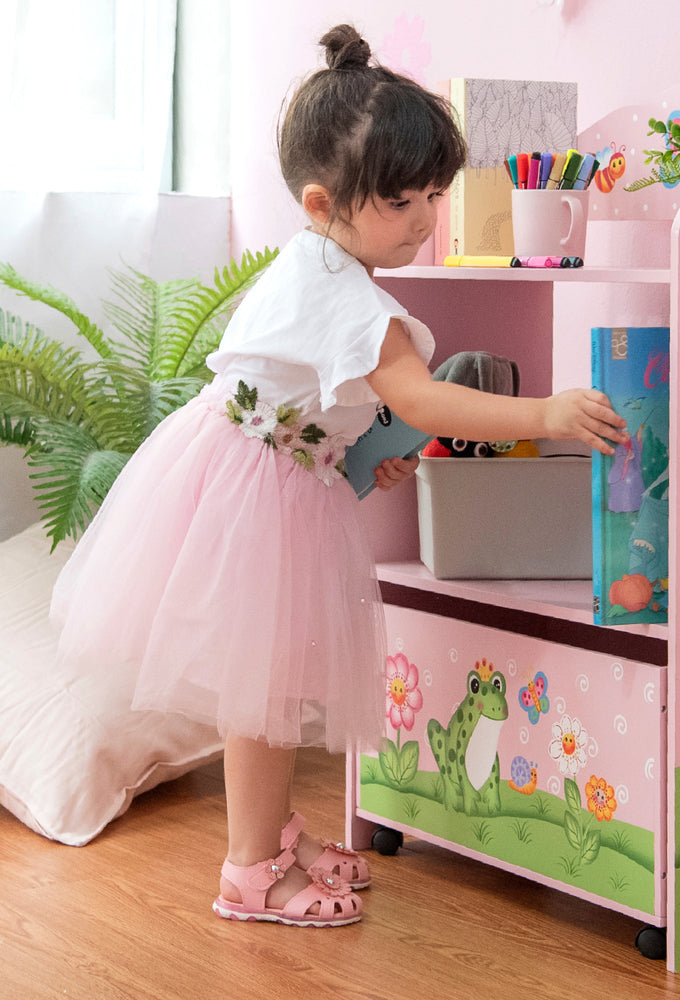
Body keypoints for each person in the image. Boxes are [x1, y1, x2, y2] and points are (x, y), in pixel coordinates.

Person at [50, 23, 627, 928]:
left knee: (267, 689)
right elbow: (428, 401)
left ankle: (271, 833)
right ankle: (251, 871)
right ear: (323, 203)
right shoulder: (352, 299)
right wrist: (545, 415)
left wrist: (358, 451)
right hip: (261, 495)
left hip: (249, 473)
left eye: (435, 195)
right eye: (404, 203)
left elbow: (325, 391)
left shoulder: (316, 262)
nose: (428, 220)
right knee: (265, 693)